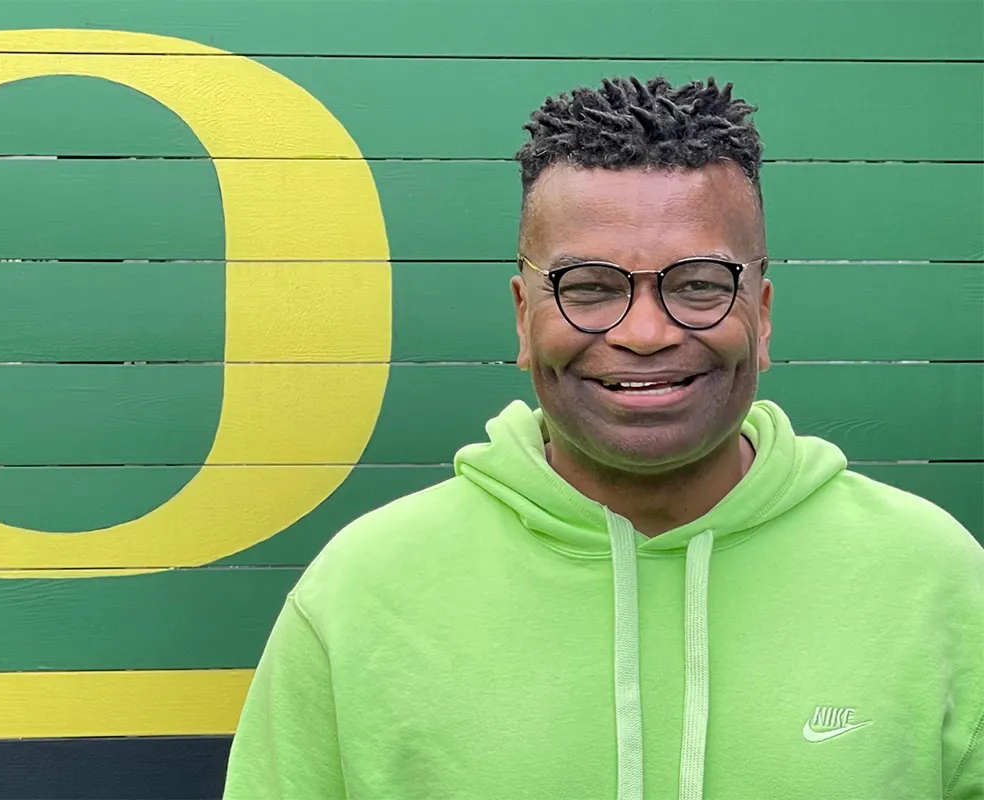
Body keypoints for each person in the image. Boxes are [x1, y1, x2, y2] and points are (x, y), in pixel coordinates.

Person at [221, 76, 984, 799]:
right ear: (524, 317)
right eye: (588, 288)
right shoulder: (362, 592)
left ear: (764, 312)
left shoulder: (938, 580)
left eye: (698, 285)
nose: (645, 333)